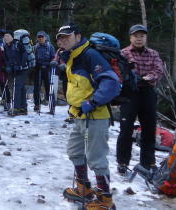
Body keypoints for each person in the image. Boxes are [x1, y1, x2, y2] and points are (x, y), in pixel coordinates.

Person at [57, 23, 120, 210]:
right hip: (79, 115)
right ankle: (83, 188)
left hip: (95, 115)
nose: (62, 40)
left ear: (78, 36)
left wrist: (92, 103)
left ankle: (105, 199)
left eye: (66, 36)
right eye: (60, 38)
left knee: (96, 158)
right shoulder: (72, 57)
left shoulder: (90, 55)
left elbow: (111, 83)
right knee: (75, 151)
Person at [116, 24, 164, 175]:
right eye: (136, 36)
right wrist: (132, 78)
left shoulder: (153, 54)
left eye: (142, 36)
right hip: (129, 93)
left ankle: (148, 162)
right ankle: (122, 162)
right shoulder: (123, 53)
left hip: (148, 92)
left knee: (149, 128)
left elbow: (158, 70)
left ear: (145, 38)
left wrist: (147, 78)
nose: (139, 38)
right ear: (130, 37)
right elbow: (118, 70)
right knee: (126, 129)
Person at [3, 31, 29, 116]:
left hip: (22, 69)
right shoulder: (6, 46)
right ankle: (23, 108)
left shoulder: (18, 44)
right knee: (21, 88)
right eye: (5, 36)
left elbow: (24, 55)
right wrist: (8, 66)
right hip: (14, 69)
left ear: (12, 37)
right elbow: (6, 58)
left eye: (8, 36)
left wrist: (21, 65)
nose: (6, 38)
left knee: (17, 87)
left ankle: (16, 108)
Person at [32, 31, 56, 113]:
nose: (40, 38)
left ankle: (51, 106)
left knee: (49, 88)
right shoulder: (35, 47)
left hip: (47, 69)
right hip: (38, 69)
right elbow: (32, 57)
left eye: (42, 37)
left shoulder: (50, 47)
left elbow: (54, 57)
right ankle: (37, 105)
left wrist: (53, 62)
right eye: (39, 37)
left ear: (45, 37)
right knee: (36, 88)